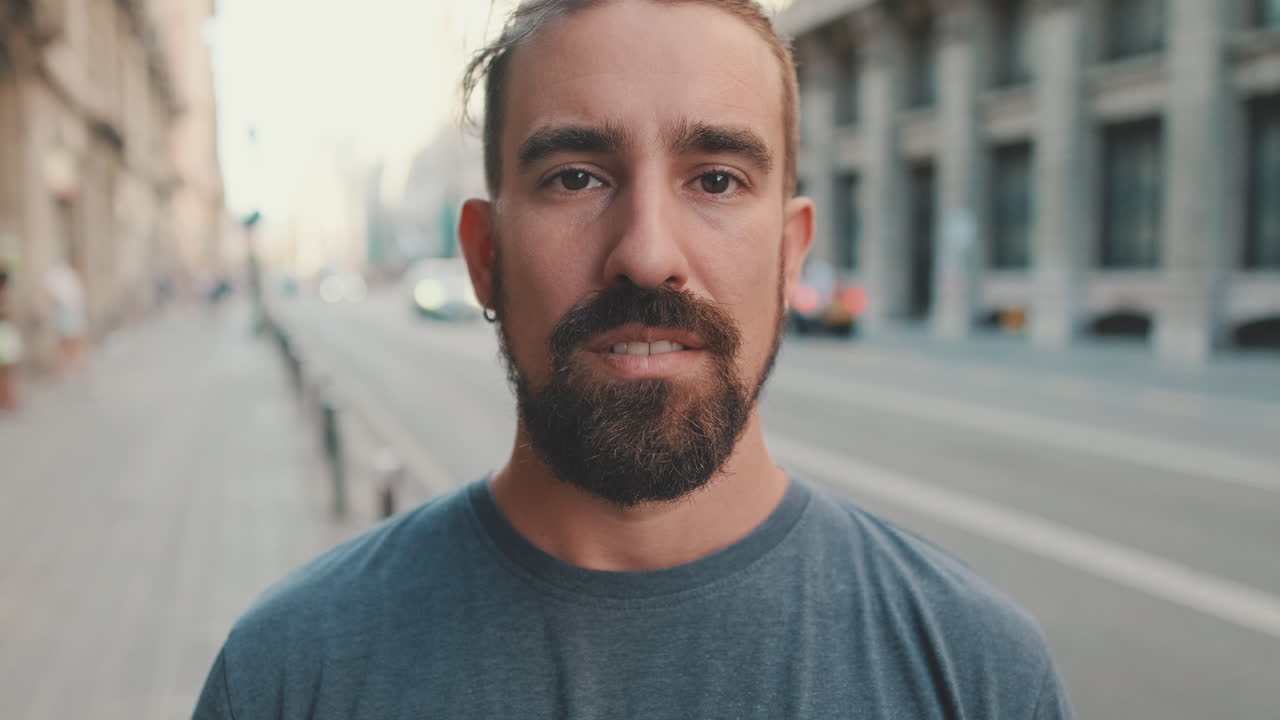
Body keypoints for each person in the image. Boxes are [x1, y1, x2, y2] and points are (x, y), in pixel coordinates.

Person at [194, 1, 1073, 718]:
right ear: (485, 256)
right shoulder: (288, 676)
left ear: (790, 255)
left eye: (716, 179)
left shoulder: (979, 674)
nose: (648, 254)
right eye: (576, 176)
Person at [45, 259, 87, 374]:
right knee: (67, 340)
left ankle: (73, 364)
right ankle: (69, 365)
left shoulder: (71, 277)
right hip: (66, 311)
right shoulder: (63, 277)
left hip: (71, 311)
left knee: (72, 339)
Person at [0, 264, 21, 410]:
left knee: (7, 368)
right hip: (4, 334)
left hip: (6, 333)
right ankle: (7, 397)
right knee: (7, 368)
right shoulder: (4, 297)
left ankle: (8, 397)